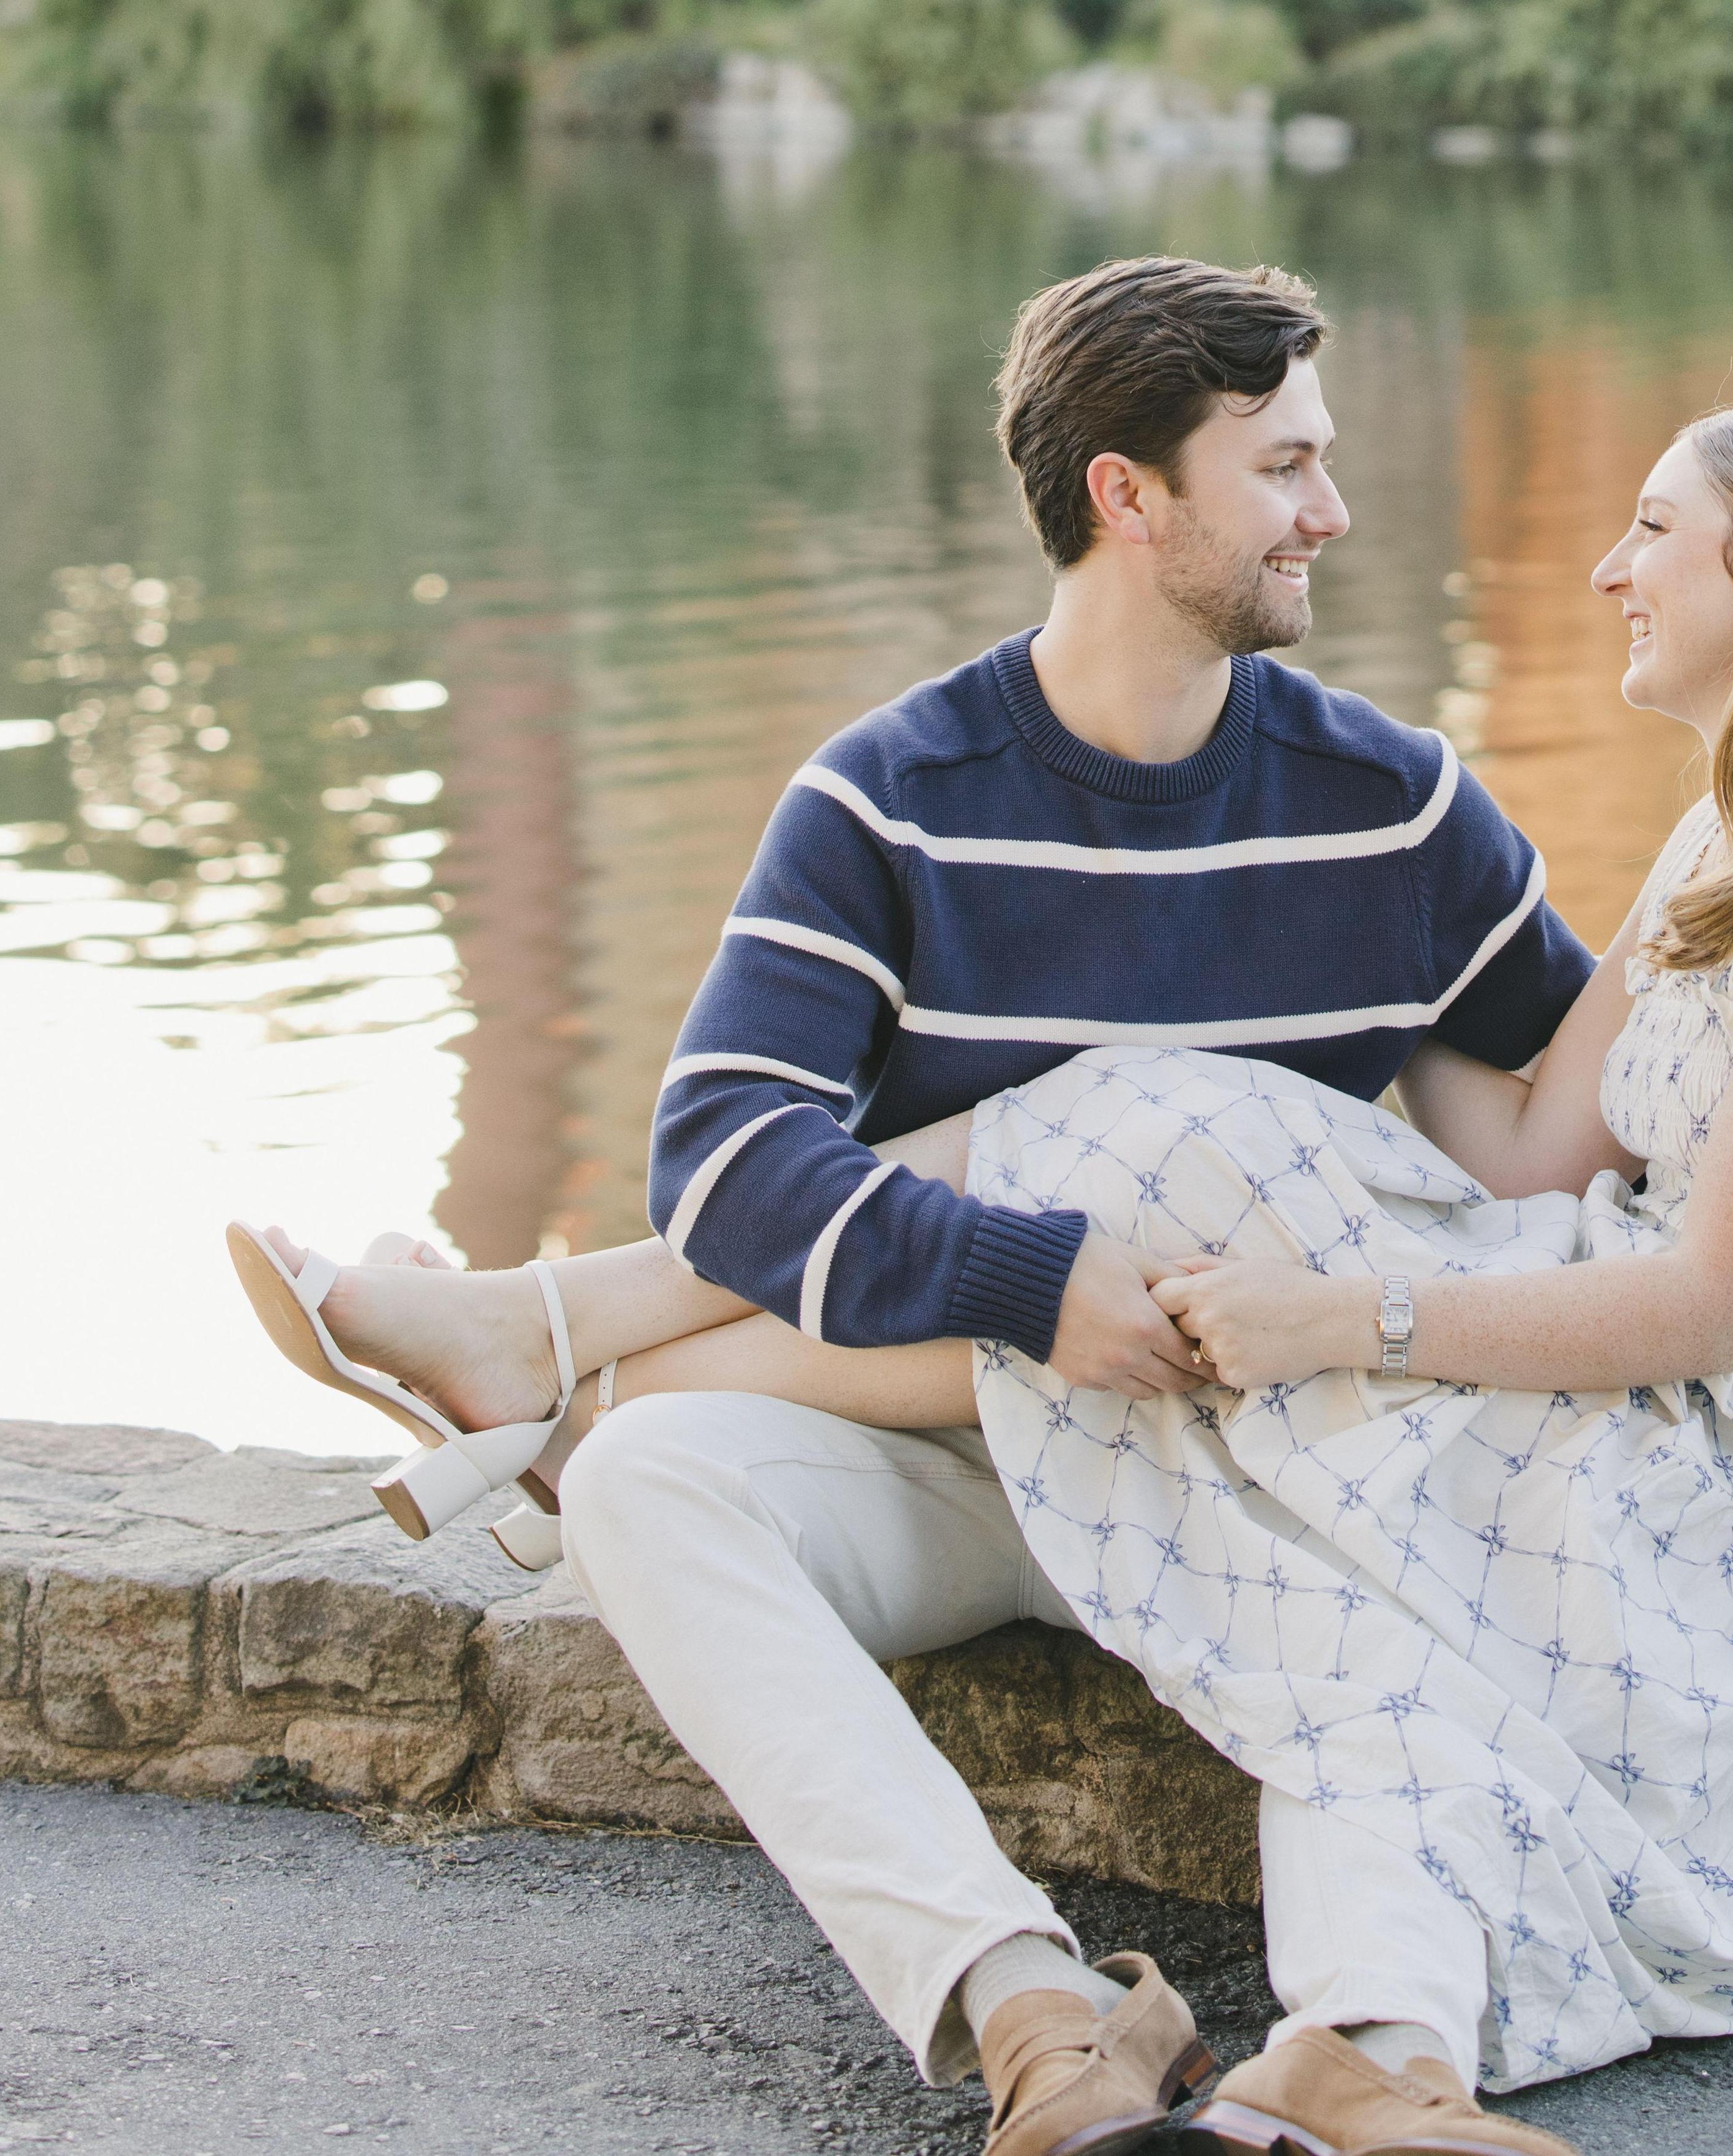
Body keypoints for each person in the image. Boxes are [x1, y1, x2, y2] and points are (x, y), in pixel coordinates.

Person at [228, 256, 1598, 2156]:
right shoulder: (889, 801)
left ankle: (1382, 2058)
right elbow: (720, 1158)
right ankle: (1036, 2020)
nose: (1330, 512)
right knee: (646, 1486)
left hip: (1268, 1465)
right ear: (1131, 494)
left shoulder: (1394, 807)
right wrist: (1029, 1279)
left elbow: (1575, 1117)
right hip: (988, 1457)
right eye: (1283, 465)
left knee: (1375, 1561)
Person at [967, 394, 1733, 2139]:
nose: (1604, 567)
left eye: (1653, 527)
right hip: (1683, 1417)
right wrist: (1334, 927)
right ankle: (1367, 2059)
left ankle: (582, 1357)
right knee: (1157, 1149)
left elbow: (1710, 1301)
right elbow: (1520, 1156)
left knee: (1242, 1332)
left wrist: (1332, 1317)